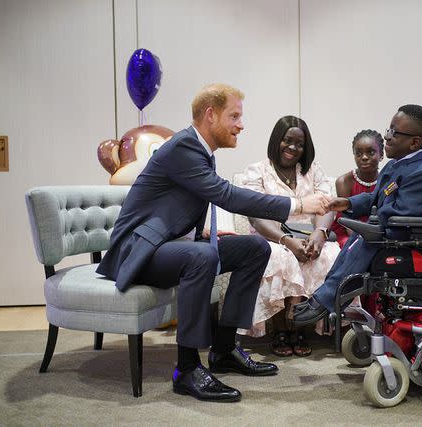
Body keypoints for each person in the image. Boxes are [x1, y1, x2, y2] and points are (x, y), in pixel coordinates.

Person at [96, 83, 329, 403]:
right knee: (201, 257)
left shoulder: (199, 150)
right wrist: (299, 206)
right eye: (234, 116)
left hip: (167, 245)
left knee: (255, 248)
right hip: (137, 252)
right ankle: (188, 369)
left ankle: (223, 350)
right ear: (210, 115)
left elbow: (174, 206)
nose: (241, 125)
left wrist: (198, 234)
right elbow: (226, 195)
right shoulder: (184, 148)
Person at [293, 104, 422, 326]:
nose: (387, 137)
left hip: (409, 239)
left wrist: (371, 221)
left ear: (415, 142)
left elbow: (400, 214)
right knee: (359, 237)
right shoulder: (395, 166)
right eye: (388, 130)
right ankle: (326, 297)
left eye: (393, 132)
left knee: (366, 238)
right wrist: (346, 203)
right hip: (392, 231)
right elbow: (374, 198)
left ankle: (327, 300)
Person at [240, 115, 340, 357]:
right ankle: (282, 330)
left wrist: (320, 233)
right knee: (278, 257)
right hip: (271, 237)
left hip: (308, 236)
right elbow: (256, 216)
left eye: (299, 144)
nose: (293, 148)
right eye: (287, 141)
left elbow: (327, 207)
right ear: (277, 140)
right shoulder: (257, 171)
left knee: (330, 254)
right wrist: (286, 241)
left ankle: (302, 327)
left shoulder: (313, 171)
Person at [330, 129, 384, 248]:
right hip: (348, 232)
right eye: (358, 153)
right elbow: (347, 221)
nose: (364, 157)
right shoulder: (344, 181)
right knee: (353, 246)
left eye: (370, 152)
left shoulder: (386, 180)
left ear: (381, 155)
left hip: (377, 232)